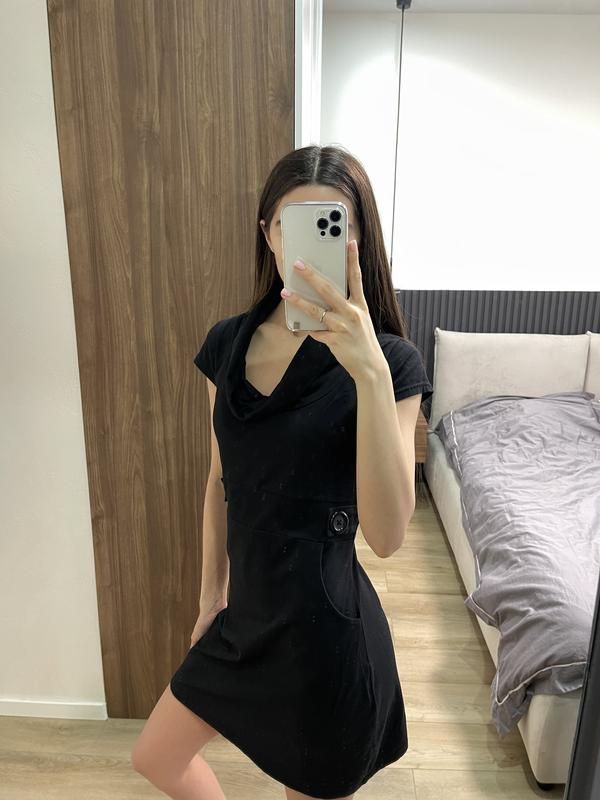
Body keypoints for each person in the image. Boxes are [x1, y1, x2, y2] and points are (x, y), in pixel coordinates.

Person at [131, 144, 433, 800]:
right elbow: (221, 482)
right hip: (245, 616)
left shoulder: (391, 363)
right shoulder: (226, 344)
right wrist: (210, 597)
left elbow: (387, 536)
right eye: (289, 224)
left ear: (359, 240)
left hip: (325, 635)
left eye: (334, 224)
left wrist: (370, 372)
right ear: (268, 233)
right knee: (156, 756)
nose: (308, 246)